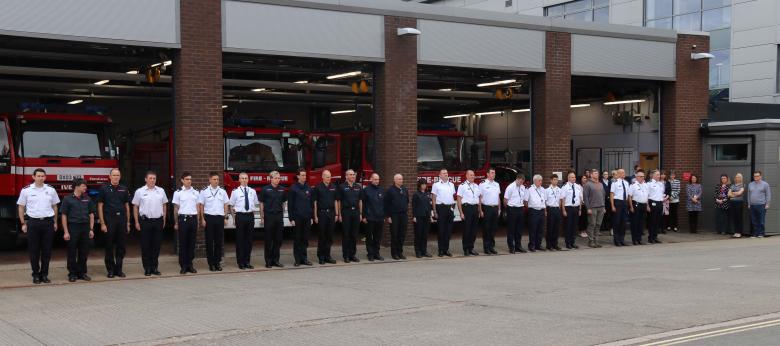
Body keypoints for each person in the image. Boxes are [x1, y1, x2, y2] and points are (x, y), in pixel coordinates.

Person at [17, 168, 60, 284]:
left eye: (43, 176)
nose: (41, 178)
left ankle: (44, 274)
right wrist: (23, 223)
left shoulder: (51, 190)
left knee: (47, 250)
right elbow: (21, 207)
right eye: (39, 176)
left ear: (45, 177)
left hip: (48, 223)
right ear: (33, 177)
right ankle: (36, 274)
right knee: (34, 250)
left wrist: (55, 222)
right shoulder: (26, 190)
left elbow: (55, 206)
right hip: (33, 223)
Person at [132, 171, 168, 276]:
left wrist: (164, 219)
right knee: (146, 245)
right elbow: (135, 206)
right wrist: (136, 221)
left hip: (158, 221)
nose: (152, 180)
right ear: (145, 179)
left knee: (156, 245)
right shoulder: (140, 191)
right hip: (145, 222)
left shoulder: (161, 191)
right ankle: (147, 268)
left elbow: (164, 205)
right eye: (150, 178)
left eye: (154, 178)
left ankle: (154, 267)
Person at [97, 168, 131, 278]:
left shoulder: (124, 189)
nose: (116, 177)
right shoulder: (104, 189)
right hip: (109, 220)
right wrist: (102, 223)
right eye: (114, 175)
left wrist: (128, 222)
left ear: (120, 177)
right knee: (109, 246)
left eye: (118, 175)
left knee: (121, 246)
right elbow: (100, 206)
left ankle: (119, 269)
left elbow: (127, 206)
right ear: (110, 177)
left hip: (121, 220)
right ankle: (110, 270)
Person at [60, 178, 95, 282]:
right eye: (83, 186)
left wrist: (91, 229)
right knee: (72, 251)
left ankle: (82, 272)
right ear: (77, 186)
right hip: (73, 227)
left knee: (84, 251)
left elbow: (91, 214)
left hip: (85, 227)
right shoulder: (67, 199)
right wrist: (66, 231)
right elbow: (64, 215)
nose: (85, 187)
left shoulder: (87, 198)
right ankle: (72, 273)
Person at [198, 171, 230, 272]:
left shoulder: (222, 191)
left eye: (217, 179)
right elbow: (201, 205)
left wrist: (225, 217)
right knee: (209, 242)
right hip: (209, 218)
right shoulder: (204, 191)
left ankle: (217, 262)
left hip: (219, 218)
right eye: (214, 179)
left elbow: (226, 204)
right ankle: (211, 263)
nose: (216, 181)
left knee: (218, 242)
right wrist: (202, 218)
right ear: (210, 180)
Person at [229, 172, 259, 269]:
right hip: (240, 216)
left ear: (248, 179)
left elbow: (254, 205)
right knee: (240, 240)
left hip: (250, 216)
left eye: (246, 178)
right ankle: (240, 262)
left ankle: (247, 261)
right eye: (242, 178)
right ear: (239, 180)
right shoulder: (235, 192)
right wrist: (234, 218)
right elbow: (231, 205)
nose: (244, 180)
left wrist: (253, 217)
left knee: (249, 240)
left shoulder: (252, 191)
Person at [172, 172, 199, 275]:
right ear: (182, 180)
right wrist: (176, 222)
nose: (189, 181)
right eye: (187, 179)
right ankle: (183, 265)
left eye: (190, 179)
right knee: (183, 243)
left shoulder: (196, 192)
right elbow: (176, 208)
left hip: (193, 219)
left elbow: (197, 207)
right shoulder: (178, 192)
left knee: (192, 243)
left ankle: (190, 264)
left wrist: (198, 221)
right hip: (183, 220)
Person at [259, 171, 285, 268]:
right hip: (269, 216)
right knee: (268, 240)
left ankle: (276, 260)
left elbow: (283, 203)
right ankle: (268, 261)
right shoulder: (265, 189)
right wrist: (262, 217)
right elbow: (261, 203)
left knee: (278, 239)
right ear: (271, 178)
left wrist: (282, 214)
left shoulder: (282, 189)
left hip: (278, 216)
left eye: (279, 178)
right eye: (276, 178)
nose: (278, 179)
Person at [288, 169, 313, 267]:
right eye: (302, 175)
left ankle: (304, 258)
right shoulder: (293, 188)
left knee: (305, 239)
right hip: (297, 218)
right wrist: (291, 218)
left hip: (307, 217)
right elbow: (290, 204)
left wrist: (311, 217)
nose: (304, 177)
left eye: (305, 175)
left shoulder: (308, 187)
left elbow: (311, 204)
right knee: (297, 239)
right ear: (298, 176)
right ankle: (297, 259)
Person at [313, 170, 338, 265]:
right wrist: (315, 216)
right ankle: (321, 256)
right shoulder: (318, 188)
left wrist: (336, 214)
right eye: (327, 177)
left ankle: (328, 256)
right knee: (322, 236)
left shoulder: (333, 187)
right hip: (321, 214)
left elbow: (335, 201)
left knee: (329, 236)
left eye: (330, 177)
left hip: (331, 214)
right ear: (323, 177)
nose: (329, 178)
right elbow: (315, 203)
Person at [337, 169, 362, 263]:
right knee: (346, 235)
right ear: (346, 176)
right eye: (351, 175)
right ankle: (346, 255)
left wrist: (360, 213)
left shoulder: (358, 186)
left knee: (354, 235)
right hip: (346, 213)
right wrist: (339, 214)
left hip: (355, 212)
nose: (353, 176)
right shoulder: (342, 187)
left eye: (353, 174)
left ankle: (352, 254)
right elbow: (338, 201)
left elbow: (360, 201)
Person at [431, 169, 455, 257]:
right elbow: (433, 198)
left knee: (448, 231)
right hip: (440, 208)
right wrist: (434, 211)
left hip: (450, 208)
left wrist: (452, 208)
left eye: (447, 173)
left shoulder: (451, 185)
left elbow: (452, 197)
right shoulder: (436, 185)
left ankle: (446, 249)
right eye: (444, 173)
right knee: (441, 230)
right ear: (440, 175)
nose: (446, 174)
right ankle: (440, 250)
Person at [385, 173, 409, 260]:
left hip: (403, 215)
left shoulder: (405, 189)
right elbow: (386, 204)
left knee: (402, 234)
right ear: (394, 180)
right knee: (394, 235)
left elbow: (407, 201)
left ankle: (400, 252)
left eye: (401, 179)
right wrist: (388, 216)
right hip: (394, 215)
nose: (401, 180)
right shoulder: (390, 190)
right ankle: (394, 253)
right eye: (399, 179)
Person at [457, 170, 481, 256]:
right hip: (467, 208)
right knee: (467, 230)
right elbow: (459, 199)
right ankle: (466, 249)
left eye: (473, 175)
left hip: (475, 208)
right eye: (471, 175)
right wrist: (461, 212)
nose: (472, 177)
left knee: (474, 230)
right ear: (466, 176)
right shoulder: (462, 186)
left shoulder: (477, 186)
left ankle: (471, 248)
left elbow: (478, 199)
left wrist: (479, 210)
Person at [361, 173, 385, 261]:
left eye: (378, 179)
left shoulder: (382, 190)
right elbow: (363, 204)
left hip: (379, 218)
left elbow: (384, 204)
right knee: (369, 237)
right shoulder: (366, 190)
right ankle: (370, 254)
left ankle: (376, 253)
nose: (377, 181)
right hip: (369, 218)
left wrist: (384, 216)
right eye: (375, 179)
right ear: (371, 179)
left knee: (377, 237)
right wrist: (363, 216)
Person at [479, 168, 501, 255]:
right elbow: (479, 198)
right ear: (487, 174)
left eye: (494, 173)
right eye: (492, 173)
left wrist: (499, 209)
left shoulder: (496, 184)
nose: (493, 174)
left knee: (493, 228)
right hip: (486, 208)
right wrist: (480, 210)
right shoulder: (482, 184)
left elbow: (498, 197)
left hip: (495, 208)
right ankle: (486, 247)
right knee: (486, 228)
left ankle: (492, 247)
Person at [504, 174, 527, 253]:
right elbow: (505, 200)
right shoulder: (510, 187)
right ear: (517, 179)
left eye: (522, 182)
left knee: (519, 229)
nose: (521, 183)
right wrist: (508, 209)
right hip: (512, 209)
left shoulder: (523, 187)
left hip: (520, 208)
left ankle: (518, 246)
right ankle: (511, 247)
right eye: (520, 181)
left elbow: (524, 199)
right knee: (511, 229)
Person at [583, 169, 605, 248]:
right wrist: (588, 208)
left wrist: (604, 206)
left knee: (598, 224)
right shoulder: (587, 184)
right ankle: (591, 241)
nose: (597, 175)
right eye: (595, 173)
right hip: (592, 207)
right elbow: (585, 197)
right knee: (592, 224)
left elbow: (603, 196)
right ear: (591, 175)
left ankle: (596, 241)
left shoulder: (600, 184)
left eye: (597, 173)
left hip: (601, 207)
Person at [412, 179, 433, 258]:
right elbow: (414, 206)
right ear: (419, 185)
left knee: (425, 235)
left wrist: (430, 216)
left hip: (426, 217)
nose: (424, 185)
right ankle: (418, 251)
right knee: (418, 235)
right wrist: (414, 216)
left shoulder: (428, 194)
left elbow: (429, 206)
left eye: (425, 184)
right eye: (422, 184)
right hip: (419, 217)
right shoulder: (416, 194)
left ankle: (424, 251)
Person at [525, 174, 547, 252]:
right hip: (533, 211)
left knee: (540, 229)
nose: (541, 182)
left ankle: (538, 245)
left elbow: (544, 201)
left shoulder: (543, 189)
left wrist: (545, 211)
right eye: (539, 181)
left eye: (541, 180)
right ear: (534, 181)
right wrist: (530, 209)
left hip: (541, 210)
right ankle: (532, 245)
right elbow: (526, 201)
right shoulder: (529, 189)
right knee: (533, 229)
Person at [562, 171, 583, 249]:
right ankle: (568, 243)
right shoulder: (565, 187)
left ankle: (573, 242)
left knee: (574, 226)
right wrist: (563, 210)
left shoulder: (578, 186)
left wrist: (580, 209)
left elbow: (580, 198)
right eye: (572, 177)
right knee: (568, 226)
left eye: (574, 177)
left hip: (576, 208)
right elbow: (563, 199)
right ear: (568, 178)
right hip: (569, 208)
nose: (574, 178)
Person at [747, 170, 771, 238]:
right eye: (755, 176)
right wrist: (749, 204)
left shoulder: (765, 184)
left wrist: (767, 204)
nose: (756, 177)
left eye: (757, 176)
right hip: (752, 205)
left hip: (761, 205)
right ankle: (755, 233)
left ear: (760, 176)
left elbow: (768, 195)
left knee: (761, 220)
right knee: (754, 220)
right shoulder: (750, 184)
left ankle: (761, 233)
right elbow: (748, 195)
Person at [627, 170, 648, 245]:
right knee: (635, 223)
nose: (642, 178)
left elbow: (647, 196)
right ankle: (634, 239)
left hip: (643, 205)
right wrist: (631, 207)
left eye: (643, 176)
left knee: (641, 223)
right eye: (640, 176)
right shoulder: (633, 185)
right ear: (636, 177)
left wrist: (647, 205)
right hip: (636, 205)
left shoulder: (645, 185)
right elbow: (629, 196)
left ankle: (639, 239)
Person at [610, 168, 629, 246]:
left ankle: (622, 239)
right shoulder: (614, 183)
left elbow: (628, 195)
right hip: (617, 202)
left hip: (624, 203)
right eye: (622, 173)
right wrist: (612, 205)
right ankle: (616, 240)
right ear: (618, 174)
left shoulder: (626, 183)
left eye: (624, 172)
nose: (624, 174)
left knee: (623, 222)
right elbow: (612, 194)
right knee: (617, 222)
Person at [545, 174, 564, 251]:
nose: (556, 181)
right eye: (554, 179)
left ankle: (555, 244)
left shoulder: (559, 190)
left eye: (557, 179)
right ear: (551, 180)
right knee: (550, 227)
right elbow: (545, 201)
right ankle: (549, 245)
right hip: (550, 209)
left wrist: (559, 208)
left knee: (556, 228)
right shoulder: (547, 190)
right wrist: (546, 210)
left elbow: (560, 200)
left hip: (557, 209)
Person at [647, 169, 666, 244]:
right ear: (653, 175)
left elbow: (661, 194)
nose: (659, 176)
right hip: (652, 203)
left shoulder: (661, 184)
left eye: (659, 174)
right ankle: (651, 237)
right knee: (652, 221)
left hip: (660, 203)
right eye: (657, 174)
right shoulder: (649, 184)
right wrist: (647, 205)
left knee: (657, 221)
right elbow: (647, 195)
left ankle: (655, 237)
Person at [728, 173, 745, 238]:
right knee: (734, 217)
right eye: (736, 177)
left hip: (739, 203)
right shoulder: (732, 185)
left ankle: (739, 232)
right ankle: (735, 232)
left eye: (738, 177)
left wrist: (733, 193)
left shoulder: (742, 185)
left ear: (741, 178)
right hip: (732, 203)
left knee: (739, 217)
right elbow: (728, 194)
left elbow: (740, 193)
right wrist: (735, 193)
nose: (737, 178)